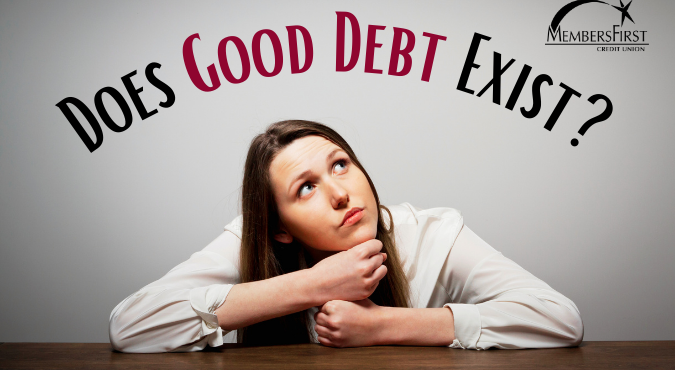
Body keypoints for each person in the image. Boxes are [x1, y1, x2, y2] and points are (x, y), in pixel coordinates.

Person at [109, 120, 583, 353]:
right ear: (279, 227)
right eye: (307, 187)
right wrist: (314, 285)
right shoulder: (250, 240)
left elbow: (560, 319)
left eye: (341, 164)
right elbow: (130, 326)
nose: (340, 193)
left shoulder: (430, 232)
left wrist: (383, 326)